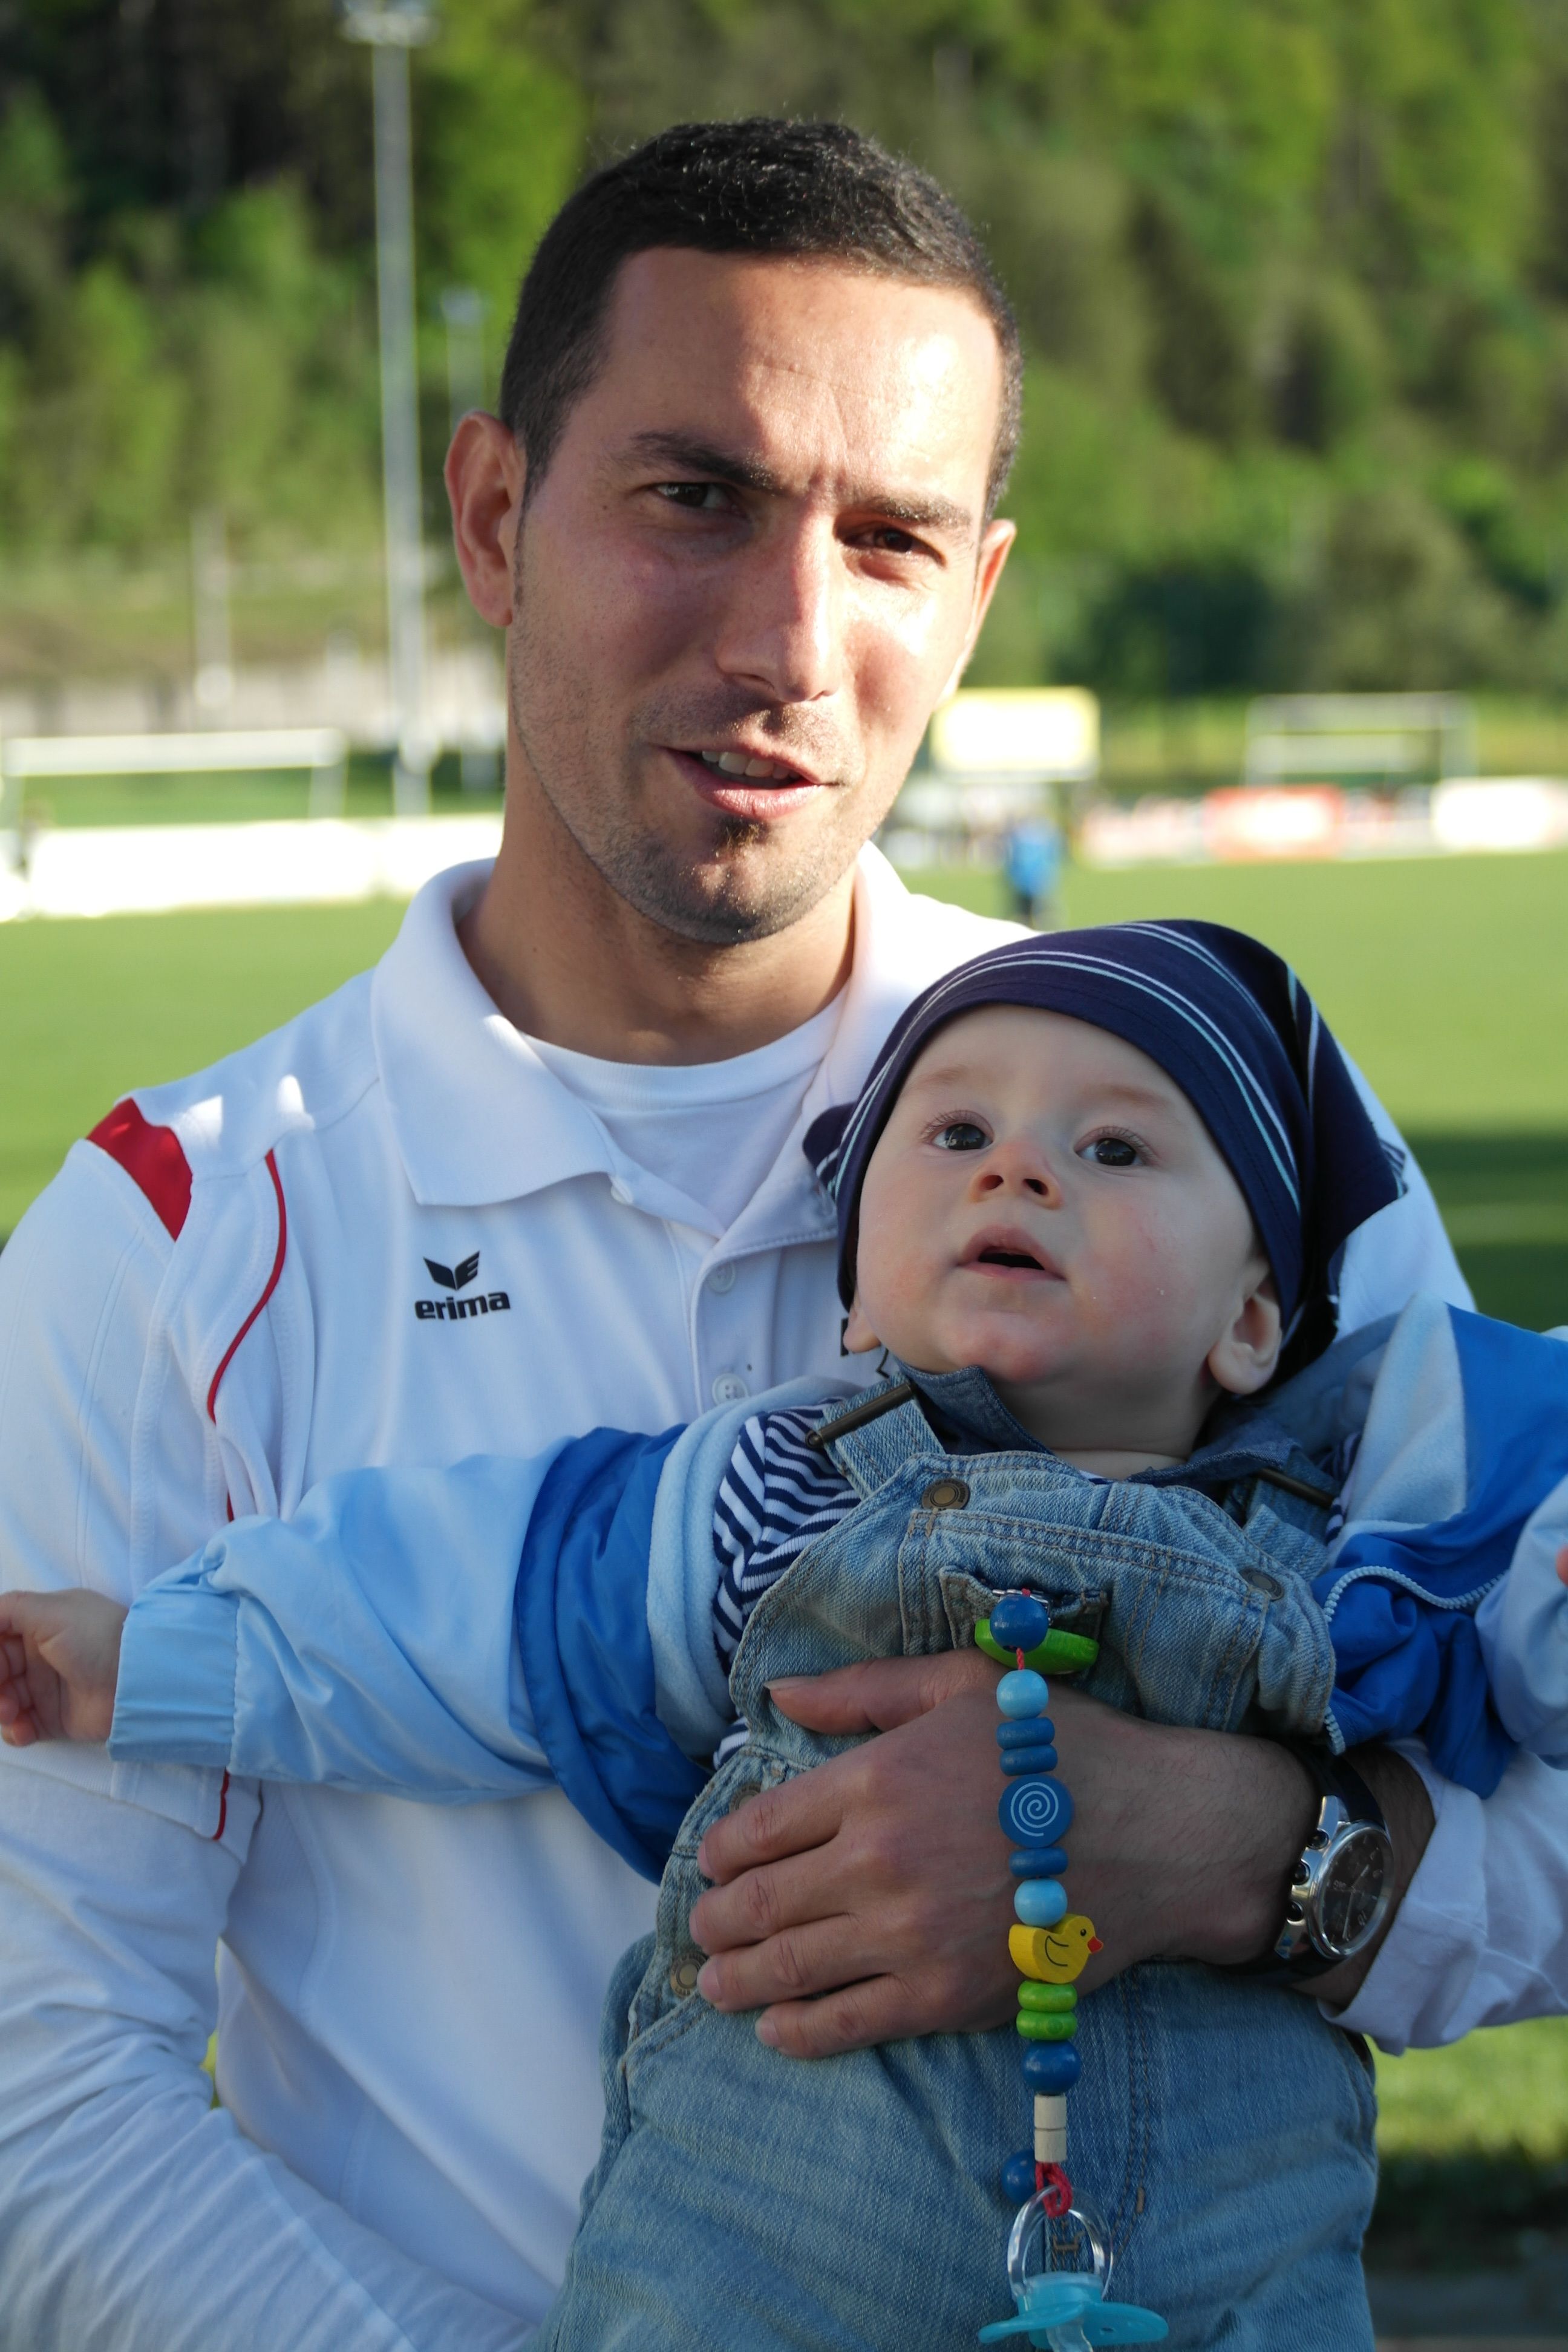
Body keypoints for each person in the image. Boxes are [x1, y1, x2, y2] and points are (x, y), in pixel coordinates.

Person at [0, 117, 1560, 2351]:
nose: (791, 640)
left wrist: (1254, 1860)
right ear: (493, 519)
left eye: (889, 539)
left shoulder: (1224, 1135)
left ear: (977, 596)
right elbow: (51, 2104)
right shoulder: (174, 1235)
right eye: (695, 497)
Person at [6, 924, 1568, 2352]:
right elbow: (452, 1608)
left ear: (1254, 1322)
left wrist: (1265, 1847)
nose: (1020, 1173)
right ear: (855, 1305)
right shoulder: (776, 1488)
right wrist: (144, 1662)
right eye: (955, 1140)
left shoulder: (1364, 1517)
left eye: (1111, 1151)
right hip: (775, 2232)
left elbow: (1526, 1670)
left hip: (1237, 2235)